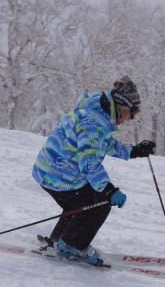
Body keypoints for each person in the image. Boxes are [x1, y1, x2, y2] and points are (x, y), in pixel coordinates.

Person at [31, 76, 156, 263]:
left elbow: (101, 143)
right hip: (58, 175)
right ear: (122, 107)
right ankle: (72, 246)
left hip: (49, 170)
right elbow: (88, 162)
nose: (131, 118)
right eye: (133, 113)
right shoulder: (94, 122)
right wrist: (109, 190)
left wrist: (133, 151)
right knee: (100, 203)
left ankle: (59, 240)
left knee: (79, 204)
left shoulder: (97, 112)